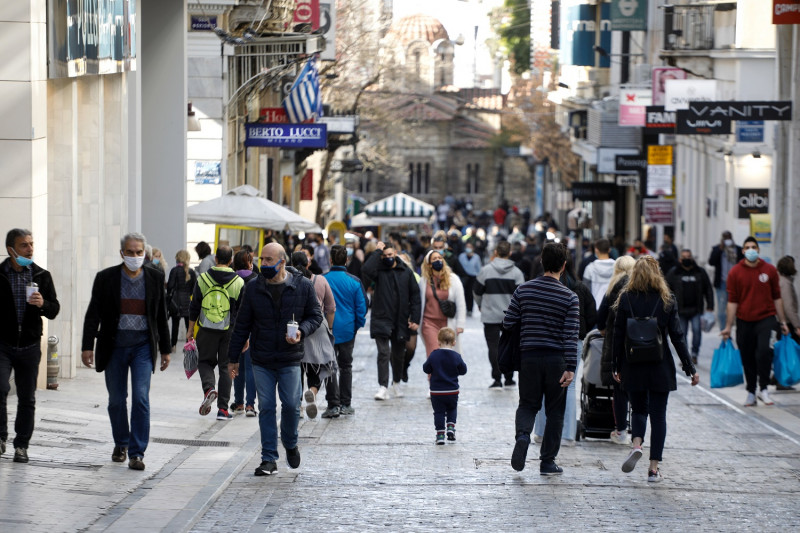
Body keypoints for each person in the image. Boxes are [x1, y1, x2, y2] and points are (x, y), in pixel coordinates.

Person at [227, 242, 322, 476]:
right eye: (262, 259)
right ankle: (268, 458)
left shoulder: (302, 286)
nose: (264, 264)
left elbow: (315, 315)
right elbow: (242, 325)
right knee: (267, 407)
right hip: (262, 358)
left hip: (290, 357)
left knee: (291, 405)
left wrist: (302, 331)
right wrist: (233, 359)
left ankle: (290, 442)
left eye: (269, 260)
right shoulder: (253, 288)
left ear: (282, 261)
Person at [81, 232, 171, 471]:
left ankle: (137, 452)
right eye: (130, 252)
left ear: (145, 253)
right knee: (116, 401)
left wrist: (166, 349)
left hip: (142, 347)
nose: (134, 256)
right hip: (114, 347)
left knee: (141, 398)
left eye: (139, 252)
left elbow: (161, 315)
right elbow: (93, 312)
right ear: (122, 253)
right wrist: (87, 345)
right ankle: (121, 442)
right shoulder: (106, 278)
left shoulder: (154, 277)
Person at [613, 255, 699, 483]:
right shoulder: (666, 299)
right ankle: (653, 469)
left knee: (639, 410)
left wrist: (616, 365)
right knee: (659, 416)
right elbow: (678, 337)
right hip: (660, 364)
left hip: (632, 364)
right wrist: (690, 368)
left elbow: (618, 335)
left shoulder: (626, 298)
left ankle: (636, 444)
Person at [504, 243, 579, 475]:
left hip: (529, 357)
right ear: (564, 266)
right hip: (556, 360)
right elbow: (571, 334)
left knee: (528, 404)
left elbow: (508, 323)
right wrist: (571, 366)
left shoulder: (523, 290)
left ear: (542, 262)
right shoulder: (570, 297)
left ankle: (524, 435)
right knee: (555, 411)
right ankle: (547, 461)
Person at [0, 229, 60, 463]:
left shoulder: (42, 275)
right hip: (2, 344)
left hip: (30, 344)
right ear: (11, 249)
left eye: (31, 244)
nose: (30, 249)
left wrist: (43, 303)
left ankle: (21, 445)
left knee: (27, 397)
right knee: (0, 389)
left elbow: (55, 309)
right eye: (24, 245)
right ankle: (1, 437)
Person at [532, 249, 596, 446]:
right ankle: (567, 435)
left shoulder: (537, 286)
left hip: (547, 340)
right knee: (570, 386)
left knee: (544, 386)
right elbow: (592, 315)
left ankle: (541, 433)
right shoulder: (579, 288)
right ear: (565, 265)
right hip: (574, 340)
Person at [720, 237, 789, 406]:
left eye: (753, 247)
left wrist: (783, 322)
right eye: (747, 247)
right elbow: (732, 301)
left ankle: (764, 388)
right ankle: (751, 391)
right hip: (744, 321)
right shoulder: (735, 272)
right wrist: (728, 326)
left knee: (765, 352)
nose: (751, 249)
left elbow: (777, 298)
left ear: (758, 250)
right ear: (743, 251)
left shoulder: (770, 270)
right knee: (747, 356)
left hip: (767, 319)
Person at [187, 245, 245, 421]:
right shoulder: (238, 282)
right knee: (226, 367)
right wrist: (244, 336)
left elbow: (194, 305)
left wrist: (190, 328)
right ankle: (223, 410)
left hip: (206, 328)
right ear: (230, 261)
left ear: (216, 259)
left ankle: (209, 389)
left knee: (204, 361)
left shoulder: (203, 278)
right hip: (230, 330)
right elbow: (242, 312)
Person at [362, 241, 421, 400]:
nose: (388, 258)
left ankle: (396, 382)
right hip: (382, 317)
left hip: (400, 319)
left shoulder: (406, 272)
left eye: (390, 255)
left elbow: (415, 296)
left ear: (395, 253)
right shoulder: (379, 270)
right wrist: (377, 252)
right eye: (384, 255)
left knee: (398, 354)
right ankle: (383, 386)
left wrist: (415, 318)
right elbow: (366, 270)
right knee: (383, 352)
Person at [290, 251, 336, 419]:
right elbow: (331, 308)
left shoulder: (288, 280)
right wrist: (329, 327)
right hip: (317, 328)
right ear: (308, 264)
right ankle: (313, 391)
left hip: (294, 328)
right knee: (319, 365)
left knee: (296, 368)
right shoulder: (320, 280)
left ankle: (298, 406)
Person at [473, 240, 525, 389]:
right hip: (511, 316)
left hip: (490, 314)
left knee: (493, 347)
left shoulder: (486, 271)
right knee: (510, 346)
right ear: (509, 253)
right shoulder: (517, 273)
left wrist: (480, 304)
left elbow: (476, 291)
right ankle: (509, 377)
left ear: (495, 252)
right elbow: (521, 295)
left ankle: (497, 378)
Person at [596, 255, 636, 445]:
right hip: (640, 343)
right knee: (638, 389)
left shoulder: (613, 288)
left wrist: (604, 329)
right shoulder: (640, 286)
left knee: (619, 388)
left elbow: (600, 316)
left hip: (617, 342)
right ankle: (638, 432)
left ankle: (621, 431)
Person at [324, 245, 368, 416]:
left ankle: (333, 404)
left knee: (329, 366)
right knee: (346, 366)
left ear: (331, 260)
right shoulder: (355, 282)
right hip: (348, 329)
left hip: (328, 329)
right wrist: (356, 326)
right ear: (347, 260)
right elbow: (362, 307)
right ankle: (346, 403)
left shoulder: (323, 279)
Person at [665, 249, 714, 364]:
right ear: (680, 259)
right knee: (682, 334)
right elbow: (666, 289)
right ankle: (685, 356)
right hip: (680, 310)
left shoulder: (700, 272)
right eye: (684, 257)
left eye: (688, 256)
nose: (686, 259)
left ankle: (694, 353)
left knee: (697, 331)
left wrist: (710, 306)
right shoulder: (674, 273)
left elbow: (708, 289)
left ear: (692, 258)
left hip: (696, 309)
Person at [422, 327, 467, 445]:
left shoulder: (434, 355)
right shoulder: (456, 356)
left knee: (439, 412)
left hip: (437, 392)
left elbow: (426, 368)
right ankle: (451, 427)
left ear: (438, 341)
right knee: (452, 408)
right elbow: (463, 370)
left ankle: (440, 435)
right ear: (454, 342)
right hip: (452, 390)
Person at [419, 250, 467, 359]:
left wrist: (460, 324)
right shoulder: (424, 281)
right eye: (434, 259)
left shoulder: (453, 279)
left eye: (440, 258)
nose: (438, 261)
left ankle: (444, 376)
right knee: (434, 355)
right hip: (429, 323)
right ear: (429, 264)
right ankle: (432, 376)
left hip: (448, 324)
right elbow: (419, 302)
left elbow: (461, 302)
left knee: (448, 357)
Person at [230, 250, 259, 416]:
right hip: (253, 328)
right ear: (249, 263)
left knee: (236, 365)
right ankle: (250, 405)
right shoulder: (256, 279)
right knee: (250, 367)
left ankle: (238, 402)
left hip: (234, 328)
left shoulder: (231, 279)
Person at [708, 231, 744, 328]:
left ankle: (733, 326)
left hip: (736, 283)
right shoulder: (717, 249)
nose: (727, 240)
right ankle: (723, 330)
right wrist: (720, 249)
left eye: (728, 238)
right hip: (722, 283)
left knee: (737, 307)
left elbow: (743, 263)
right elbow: (711, 262)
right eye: (725, 238)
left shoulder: (738, 249)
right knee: (722, 309)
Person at [166, 250, 196, 352]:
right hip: (187, 301)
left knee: (175, 324)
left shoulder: (174, 270)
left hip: (176, 302)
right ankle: (188, 346)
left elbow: (170, 286)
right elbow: (194, 288)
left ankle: (173, 345)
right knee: (189, 325)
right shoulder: (191, 272)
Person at [582, 238, 616, 310]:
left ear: (596, 250)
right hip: (612, 308)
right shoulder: (617, 267)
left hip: (595, 308)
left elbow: (586, 291)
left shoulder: (590, 268)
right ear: (609, 250)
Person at [777, 256, 800, 343]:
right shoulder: (785, 283)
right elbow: (788, 307)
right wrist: (797, 326)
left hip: (780, 322)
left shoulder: (778, 280)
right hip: (787, 323)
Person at [458, 243, 481, 316]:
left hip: (472, 277)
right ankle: (462, 309)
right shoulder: (461, 256)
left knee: (470, 294)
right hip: (463, 277)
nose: (468, 248)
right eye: (467, 247)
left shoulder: (476, 257)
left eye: (470, 247)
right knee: (462, 293)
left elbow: (479, 268)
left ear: (473, 248)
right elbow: (458, 267)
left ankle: (469, 309)